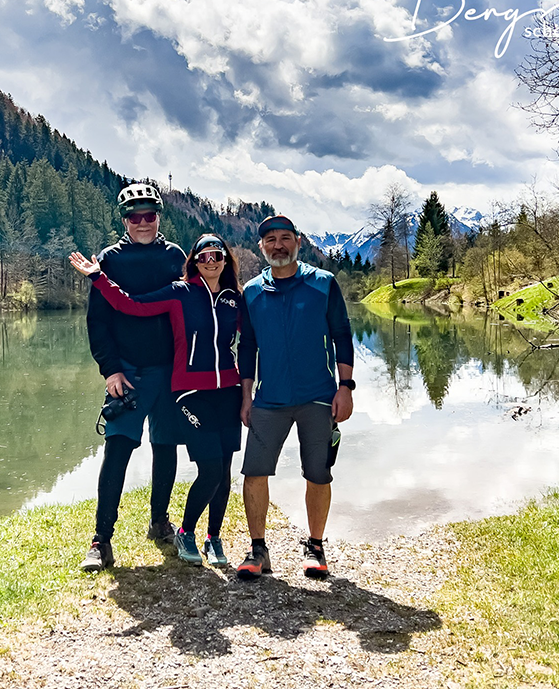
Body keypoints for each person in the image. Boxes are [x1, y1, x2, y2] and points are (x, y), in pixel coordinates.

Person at [70, 233, 249, 567]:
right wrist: (98, 277)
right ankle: (106, 539)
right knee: (125, 449)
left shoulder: (234, 298)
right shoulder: (176, 290)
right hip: (162, 383)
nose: (210, 261)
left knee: (184, 454)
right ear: (194, 262)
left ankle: (182, 528)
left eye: (217, 255)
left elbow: (254, 337)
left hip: (213, 387)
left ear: (226, 259)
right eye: (204, 256)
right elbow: (127, 306)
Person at [236, 215, 355, 580]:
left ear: (298, 242)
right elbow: (248, 346)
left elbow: (342, 336)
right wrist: (246, 396)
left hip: (317, 396)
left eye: (285, 238)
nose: (278, 246)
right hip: (269, 398)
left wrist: (345, 387)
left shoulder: (323, 284)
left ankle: (316, 548)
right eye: (270, 240)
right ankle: (258, 551)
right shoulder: (252, 291)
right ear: (262, 247)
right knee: (254, 471)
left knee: (318, 472)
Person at [79, 184, 187, 572]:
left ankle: (160, 522)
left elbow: (188, 306)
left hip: (170, 373)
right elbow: (98, 321)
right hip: (129, 373)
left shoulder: (175, 256)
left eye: (149, 215)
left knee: (166, 446)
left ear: (159, 216)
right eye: (134, 217)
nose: (142, 223)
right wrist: (110, 369)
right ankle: (101, 540)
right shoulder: (108, 260)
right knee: (118, 450)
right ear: (124, 220)